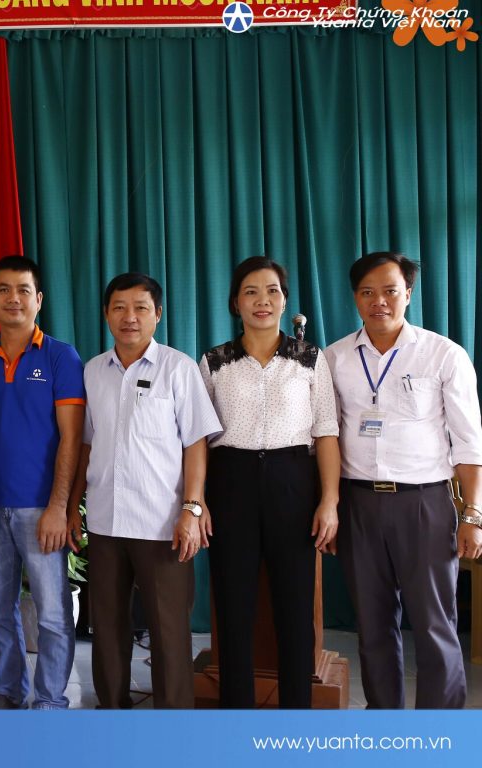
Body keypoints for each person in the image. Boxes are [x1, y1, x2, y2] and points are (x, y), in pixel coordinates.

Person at [325, 252, 482, 709]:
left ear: (408, 294)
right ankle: (385, 725)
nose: (379, 301)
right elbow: (326, 436)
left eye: (390, 291)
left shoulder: (443, 354)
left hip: (424, 504)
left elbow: (469, 443)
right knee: (372, 625)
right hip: (358, 503)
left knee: (434, 625)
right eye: (367, 292)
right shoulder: (335, 358)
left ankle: (439, 732)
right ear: (355, 298)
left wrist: (473, 513)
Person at [198, 257, 339, 709]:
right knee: (233, 608)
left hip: (293, 483)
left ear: (284, 300)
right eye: (251, 291)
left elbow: (326, 431)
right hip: (231, 483)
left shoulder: (310, 359)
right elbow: (197, 438)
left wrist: (330, 501)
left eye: (272, 291)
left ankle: (295, 717)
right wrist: (197, 500)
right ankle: (236, 718)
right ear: (235, 303)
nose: (263, 300)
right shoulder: (214, 362)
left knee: (295, 609)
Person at [79, 272, 222, 709]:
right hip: (104, 521)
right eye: (119, 308)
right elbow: (87, 444)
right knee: (107, 627)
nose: (130, 317)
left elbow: (196, 442)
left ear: (157, 314)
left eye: (141, 308)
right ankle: (112, 709)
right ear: (106, 314)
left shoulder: (178, 368)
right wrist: (72, 508)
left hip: (162, 524)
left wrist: (192, 508)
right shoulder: (93, 371)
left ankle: (172, 724)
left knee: (168, 630)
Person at [0, 255, 83, 710]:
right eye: (4, 290)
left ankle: (50, 700)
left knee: (51, 614)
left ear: (39, 300)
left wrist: (59, 507)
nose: (14, 298)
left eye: (24, 290)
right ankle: (8, 690)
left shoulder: (60, 356)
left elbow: (72, 437)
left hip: (40, 508)